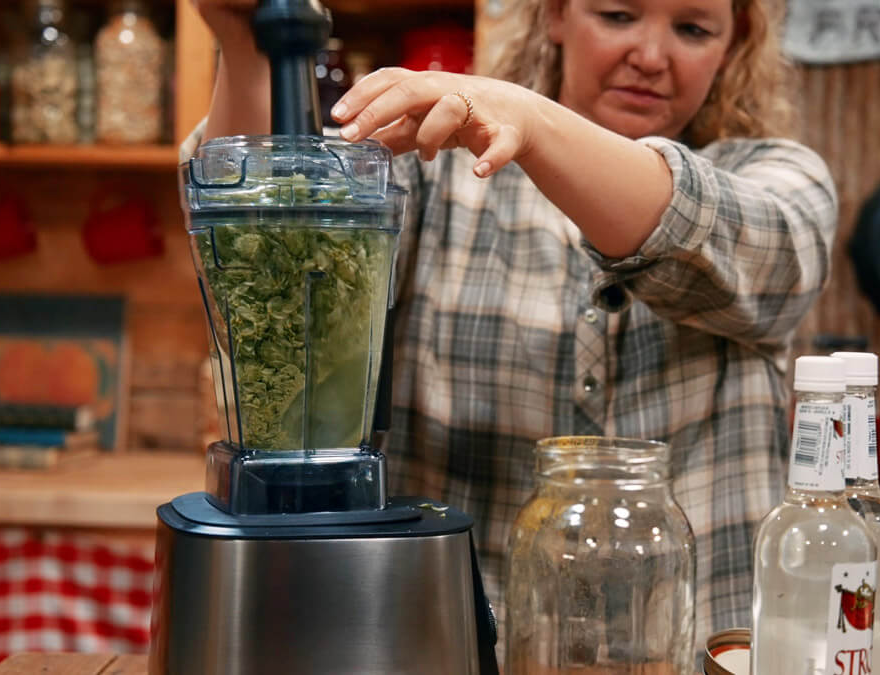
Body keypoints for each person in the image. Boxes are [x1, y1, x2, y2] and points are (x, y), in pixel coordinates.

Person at [186, 0, 838, 648]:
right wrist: (248, 44)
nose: (650, 55)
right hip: (456, 650)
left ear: (735, 44)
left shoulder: (780, 179)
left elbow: (744, 246)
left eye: (692, 29)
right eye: (617, 16)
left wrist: (527, 112)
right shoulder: (437, 177)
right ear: (555, 15)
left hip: (702, 654)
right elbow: (269, 241)